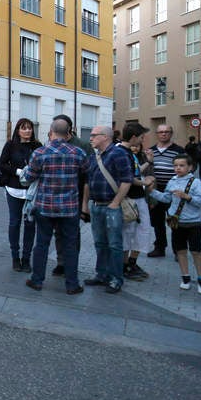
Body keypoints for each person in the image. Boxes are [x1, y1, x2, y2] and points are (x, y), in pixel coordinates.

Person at [21, 119, 89, 294]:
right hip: (70, 207)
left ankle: (37, 280)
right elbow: (87, 174)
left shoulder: (40, 153)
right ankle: (72, 284)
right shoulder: (78, 153)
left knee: (42, 243)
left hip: (45, 207)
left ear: (51, 131)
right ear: (69, 133)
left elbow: (28, 178)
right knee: (70, 245)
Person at [82, 126, 133, 294]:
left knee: (114, 245)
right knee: (100, 243)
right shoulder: (93, 156)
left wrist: (116, 202)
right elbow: (88, 182)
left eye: (94, 135)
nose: (90, 138)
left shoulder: (118, 154)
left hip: (112, 207)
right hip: (96, 206)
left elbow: (127, 180)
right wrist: (85, 205)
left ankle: (116, 279)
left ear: (105, 137)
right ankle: (102, 275)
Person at [147, 154, 201, 293]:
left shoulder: (196, 182)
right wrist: (152, 192)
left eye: (182, 165)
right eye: (175, 165)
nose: (178, 168)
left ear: (190, 167)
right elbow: (166, 198)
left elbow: (200, 202)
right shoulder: (172, 181)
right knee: (181, 251)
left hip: (193, 223)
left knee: (196, 252)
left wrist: (187, 197)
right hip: (177, 222)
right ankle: (185, 278)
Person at [0, 117, 42, 272]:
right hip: (14, 189)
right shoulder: (10, 145)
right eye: (24, 128)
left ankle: (26, 258)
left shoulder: (37, 146)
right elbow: (2, 164)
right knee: (15, 223)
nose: (27, 130)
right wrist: (19, 172)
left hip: (32, 191)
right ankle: (15, 257)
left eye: (29, 128)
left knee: (30, 223)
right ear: (18, 130)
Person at [51, 114, 92, 276]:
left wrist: (85, 203)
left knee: (72, 233)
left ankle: (71, 263)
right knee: (58, 232)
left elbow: (89, 175)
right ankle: (61, 262)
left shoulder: (82, 146)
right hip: (55, 197)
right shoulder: (52, 144)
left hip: (75, 196)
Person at [118, 124, 154, 281]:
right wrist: (145, 182)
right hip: (130, 200)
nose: (142, 140)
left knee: (141, 231)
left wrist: (148, 163)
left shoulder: (127, 153)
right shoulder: (122, 152)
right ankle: (125, 265)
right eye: (141, 137)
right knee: (128, 233)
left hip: (138, 199)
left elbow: (135, 170)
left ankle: (130, 263)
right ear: (133, 137)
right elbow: (129, 178)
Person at [146, 124, 185, 257]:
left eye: (167, 132)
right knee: (157, 221)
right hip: (155, 190)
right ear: (157, 134)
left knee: (175, 222)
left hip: (174, 190)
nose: (164, 134)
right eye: (161, 132)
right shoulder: (150, 151)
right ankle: (160, 247)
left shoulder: (179, 150)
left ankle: (177, 251)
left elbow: (186, 168)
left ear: (171, 133)